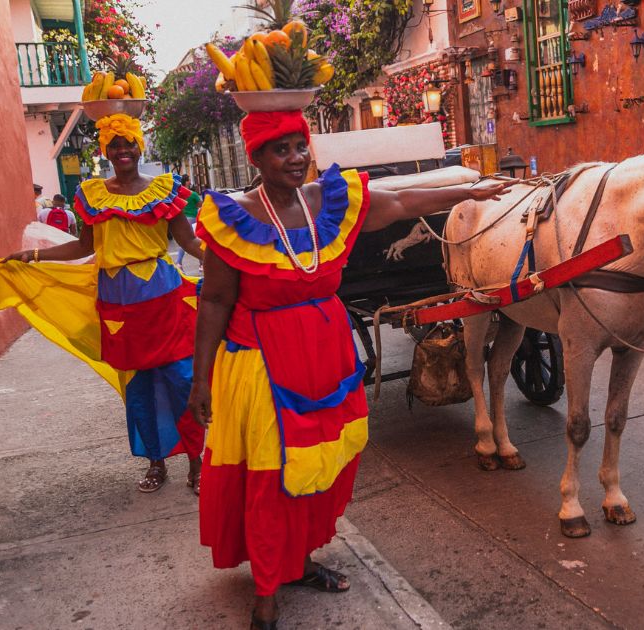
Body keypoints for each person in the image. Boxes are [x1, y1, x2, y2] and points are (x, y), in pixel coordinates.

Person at [188, 109, 511, 630]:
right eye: (280, 149)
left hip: (326, 353)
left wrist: (468, 193)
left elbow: (404, 201)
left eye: (300, 146)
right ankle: (266, 592)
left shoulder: (327, 201)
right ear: (257, 157)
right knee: (273, 478)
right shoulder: (234, 217)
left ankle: (298, 561)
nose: (295, 159)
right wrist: (200, 379)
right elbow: (214, 301)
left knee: (322, 465)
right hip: (262, 366)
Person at [0, 112, 207, 495]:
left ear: (139, 146)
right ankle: (155, 462)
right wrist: (34, 257)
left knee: (181, 382)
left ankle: (197, 461)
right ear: (106, 150)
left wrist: (224, 258)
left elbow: (189, 243)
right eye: (114, 144)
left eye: (128, 143)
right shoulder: (92, 194)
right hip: (116, 303)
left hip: (163, 298)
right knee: (138, 390)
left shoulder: (163, 190)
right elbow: (84, 247)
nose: (122, 150)